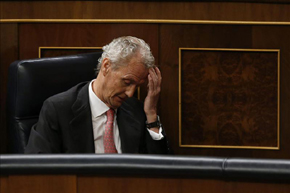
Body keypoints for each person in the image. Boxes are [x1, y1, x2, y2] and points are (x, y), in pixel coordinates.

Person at [25, 36, 169, 154]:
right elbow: (38, 170)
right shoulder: (58, 109)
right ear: (106, 66)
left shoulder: (136, 111)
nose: (130, 93)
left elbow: (159, 171)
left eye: (136, 86)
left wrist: (151, 114)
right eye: (127, 82)